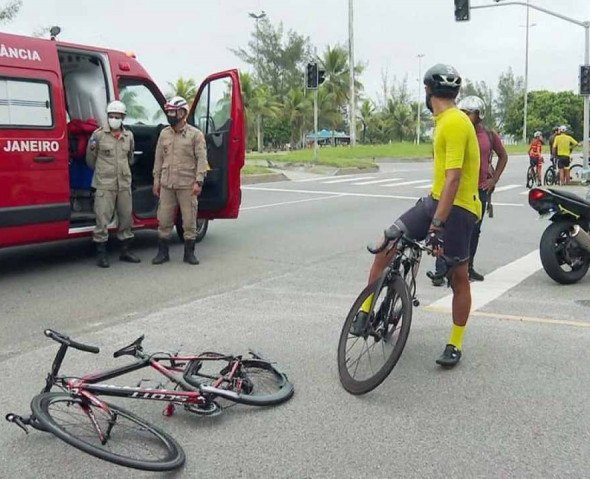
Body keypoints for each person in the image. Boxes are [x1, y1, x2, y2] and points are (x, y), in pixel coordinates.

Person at [351, 64, 481, 368]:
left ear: (427, 91)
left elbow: (454, 179)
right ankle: (366, 310)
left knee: (458, 276)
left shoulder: (454, 123)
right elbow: (443, 183)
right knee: (388, 240)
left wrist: (436, 226)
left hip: (459, 209)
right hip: (434, 200)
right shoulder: (444, 121)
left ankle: (455, 343)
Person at [428, 96, 508, 285]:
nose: (464, 116)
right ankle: (441, 271)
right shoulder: (455, 129)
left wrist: (493, 179)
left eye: (468, 113)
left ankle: (467, 268)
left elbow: (503, 156)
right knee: (445, 228)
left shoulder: (488, 135)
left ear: (479, 115)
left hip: (478, 190)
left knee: (473, 231)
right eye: (462, 112)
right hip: (454, 189)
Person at [152, 96, 208, 265]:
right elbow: (158, 159)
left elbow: (202, 159)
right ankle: (163, 253)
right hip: (167, 184)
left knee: (189, 220)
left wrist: (199, 181)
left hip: (187, 185)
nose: (170, 115)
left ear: (183, 113)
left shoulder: (195, 135)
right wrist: (156, 180)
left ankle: (189, 253)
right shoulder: (164, 134)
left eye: (173, 112)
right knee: (164, 219)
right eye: (168, 112)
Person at [86, 100, 140, 268]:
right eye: (111, 116)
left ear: (123, 117)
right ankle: (101, 254)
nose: (114, 119)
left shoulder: (128, 136)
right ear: (107, 116)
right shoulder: (98, 135)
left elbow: (130, 157)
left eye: (117, 116)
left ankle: (125, 251)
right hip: (104, 184)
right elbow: (90, 159)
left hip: (123, 183)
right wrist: (104, 173)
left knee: (125, 218)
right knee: (102, 219)